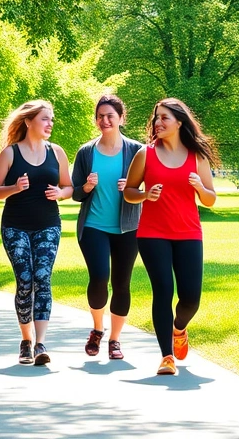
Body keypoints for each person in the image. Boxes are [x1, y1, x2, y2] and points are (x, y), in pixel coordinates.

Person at [123, 97, 218, 376]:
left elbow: (211, 199)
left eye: (164, 117)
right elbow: (129, 191)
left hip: (188, 232)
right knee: (163, 291)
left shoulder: (196, 156)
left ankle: (179, 329)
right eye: (156, 117)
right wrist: (144, 195)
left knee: (190, 298)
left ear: (179, 121)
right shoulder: (145, 154)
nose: (158, 122)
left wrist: (200, 187)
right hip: (153, 233)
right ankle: (166, 357)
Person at [0, 100, 73, 366]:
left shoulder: (57, 152)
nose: (49, 124)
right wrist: (14, 188)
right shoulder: (10, 153)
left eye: (51, 119)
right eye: (45, 119)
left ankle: (40, 343)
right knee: (25, 280)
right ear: (28, 121)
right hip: (15, 225)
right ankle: (25, 340)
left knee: (42, 278)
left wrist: (60, 193)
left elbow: (70, 187)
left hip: (48, 224)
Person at [70, 95, 143, 360]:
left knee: (122, 283)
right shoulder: (86, 152)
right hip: (93, 226)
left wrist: (135, 189)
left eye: (110, 115)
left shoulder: (137, 150)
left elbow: (152, 187)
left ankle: (114, 340)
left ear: (122, 118)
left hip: (128, 228)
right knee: (99, 277)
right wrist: (86, 188)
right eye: (100, 116)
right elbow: (75, 192)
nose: (105, 120)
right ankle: (97, 329)